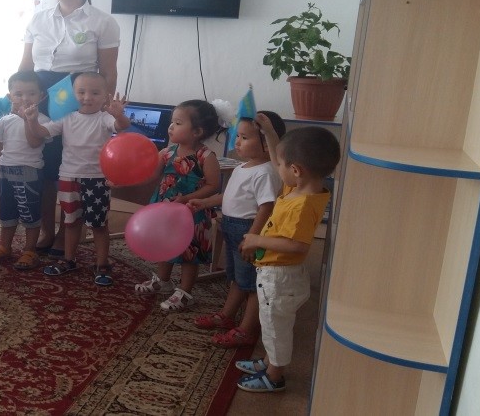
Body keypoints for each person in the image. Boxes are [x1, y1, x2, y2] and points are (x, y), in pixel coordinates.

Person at [19, 0, 121, 258]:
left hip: (78, 97)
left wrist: (101, 108)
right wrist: (18, 97)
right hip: (40, 95)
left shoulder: (103, 21)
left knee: (72, 166)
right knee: (44, 165)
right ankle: (47, 230)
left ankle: (67, 231)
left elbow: (109, 72)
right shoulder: (38, 19)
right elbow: (26, 66)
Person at [235, 118, 339, 393]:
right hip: (279, 275)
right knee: (273, 325)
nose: (276, 167)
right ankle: (269, 362)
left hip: (279, 278)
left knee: (275, 328)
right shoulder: (302, 189)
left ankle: (274, 376)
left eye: (280, 165)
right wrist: (269, 133)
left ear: (295, 170)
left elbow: (298, 246)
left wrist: (256, 239)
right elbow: (278, 157)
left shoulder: (301, 205)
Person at [188, 111, 286, 349]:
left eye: (245, 137)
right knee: (236, 277)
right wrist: (205, 202)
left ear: (267, 143)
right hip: (232, 228)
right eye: (238, 136)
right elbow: (228, 195)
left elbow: (267, 207)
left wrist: (253, 237)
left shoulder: (266, 172)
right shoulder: (242, 167)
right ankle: (227, 315)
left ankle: (246, 329)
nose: (238, 142)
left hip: (248, 230)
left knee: (252, 283)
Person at [23, 72, 129, 286]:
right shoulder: (67, 118)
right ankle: (68, 260)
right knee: (70, 222)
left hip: (97, 179)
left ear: (105, 96)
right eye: (81, 92)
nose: (87, 97)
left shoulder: (105, 118)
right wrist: (31, 120)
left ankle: (102, 264)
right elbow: (42, 132)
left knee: (98, 225)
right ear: (73, 94)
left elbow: (122, 126)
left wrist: (119, 115)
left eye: (95, 93)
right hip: (68, 177)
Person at [133, 100, 224, 312]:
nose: (171, 127)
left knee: (189, 251)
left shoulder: (206, 156)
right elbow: (150, 176)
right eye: (172, 122)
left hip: (192, 212)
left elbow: (213, 186)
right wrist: (124, 179)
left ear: (197, 131)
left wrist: (187, 198)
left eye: (178, 123)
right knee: (164, 244)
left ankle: (185, 291)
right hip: (165, 210)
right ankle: (162, 280)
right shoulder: (167, 152)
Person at [0, 70, 49, 269]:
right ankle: (5, 247)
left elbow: (34, 143)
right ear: (10, 97)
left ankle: (30, 251)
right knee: (7, 212)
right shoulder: (5, 120)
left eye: (31, 93)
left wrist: (27, 119)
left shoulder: (42, 120)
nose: (25, 98)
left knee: (30, 213)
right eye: (19, 94)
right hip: (5, 171)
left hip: (30, 173)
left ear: (41, 96)